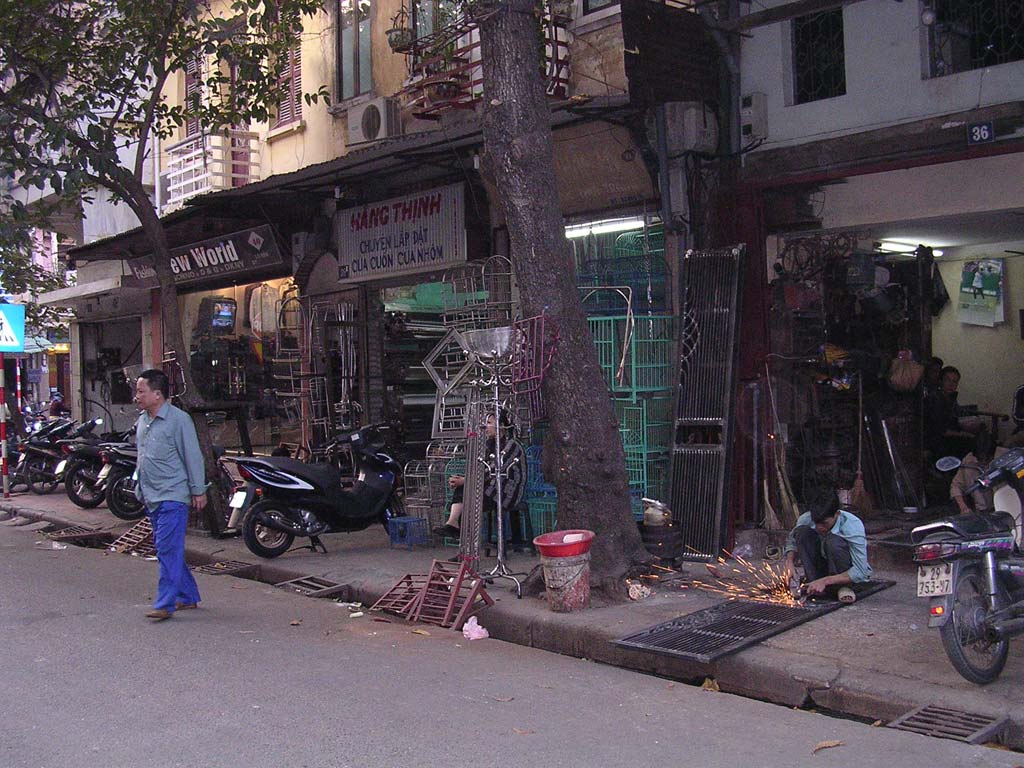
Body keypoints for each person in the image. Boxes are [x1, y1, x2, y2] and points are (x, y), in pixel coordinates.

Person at [134, 369, 205, 621]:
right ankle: (187, 595)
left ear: (157, 394)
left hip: (173, 495)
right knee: (168, 549)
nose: (137, 396)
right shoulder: (143, 420)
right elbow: (141, 457)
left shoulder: (179, 420)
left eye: (142, 391)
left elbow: (192, 456)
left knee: (165, 548)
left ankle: (165, 603)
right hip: (151, 495)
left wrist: (198, 490)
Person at [432, 411, 526, 541]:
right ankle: (455, 529)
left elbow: (493, 470)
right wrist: (463, 479)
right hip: (489, 488)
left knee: (468, 498)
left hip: (506, 492)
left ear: (502, 426)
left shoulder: (512, 445)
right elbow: (478, 467)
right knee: (463, 493)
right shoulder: (488, 444)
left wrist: (467, 480)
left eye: (489, 423)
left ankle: (462, 540)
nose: (485, 427)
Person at [782, 489, 872, 603]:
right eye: (816, 522)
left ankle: (843, 587)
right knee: (802, 532)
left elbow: (861, 571)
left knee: (833, 541)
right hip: (822, 568)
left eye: (824, 523)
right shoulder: (807, 518)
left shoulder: (852, 525)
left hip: (844, 572)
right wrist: (789, 563)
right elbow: (792, 540)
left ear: (837, 514)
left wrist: (825, 581)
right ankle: (814, 584)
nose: (820, 527)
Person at [923, 365, 981, 459]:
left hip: (949, 436)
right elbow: (940, 430)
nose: (951, 384)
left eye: (954, 381)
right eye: (948, 380)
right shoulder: (934, 399)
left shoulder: (950, 399)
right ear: (941, 381)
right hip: (936, 440)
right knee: (970, 442)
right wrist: (963, 434)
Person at [950, 431, 1007, 514]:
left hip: (1008, 507)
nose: (983, 462)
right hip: (984, 511)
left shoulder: (1006, 456)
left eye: (987, 459)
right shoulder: (968, 462)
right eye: (980, 458)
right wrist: (963, 507)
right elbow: (956, 486)